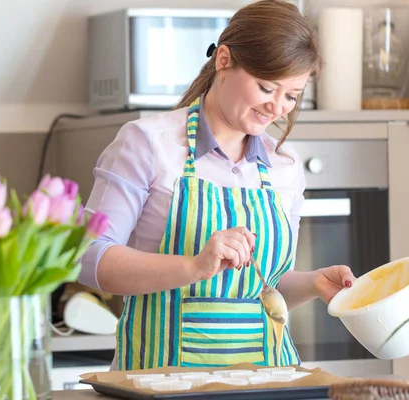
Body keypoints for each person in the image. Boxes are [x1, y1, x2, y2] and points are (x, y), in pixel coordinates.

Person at [78, 0, 356, 370]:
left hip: (266, 383)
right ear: (223, 60)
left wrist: (313, 283)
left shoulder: (284, 168)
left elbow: (261, 288)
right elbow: (88, 256)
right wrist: (193, 266)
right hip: (160, 383)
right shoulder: (147, 143)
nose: (277, 108)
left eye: (291, 96)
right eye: (266, 87)